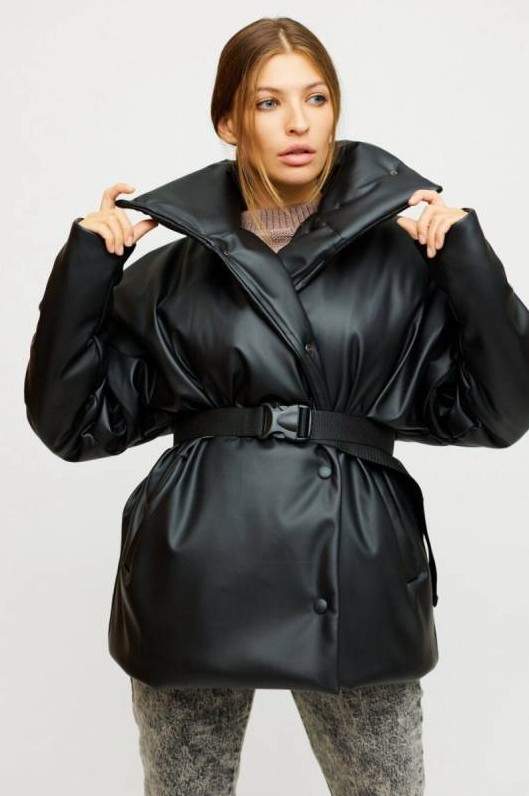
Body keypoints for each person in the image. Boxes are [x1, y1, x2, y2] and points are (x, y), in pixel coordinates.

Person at [24, 16, 529, 796]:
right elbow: (72, 424)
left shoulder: (405, 264)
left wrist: (466, 261)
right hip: (197, 561)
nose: (298, 122)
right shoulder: (170, 274)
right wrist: (89, 267)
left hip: (354, 565)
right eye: (268, 102)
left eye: (315, 98)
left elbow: (499, 413)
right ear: (229, 120)